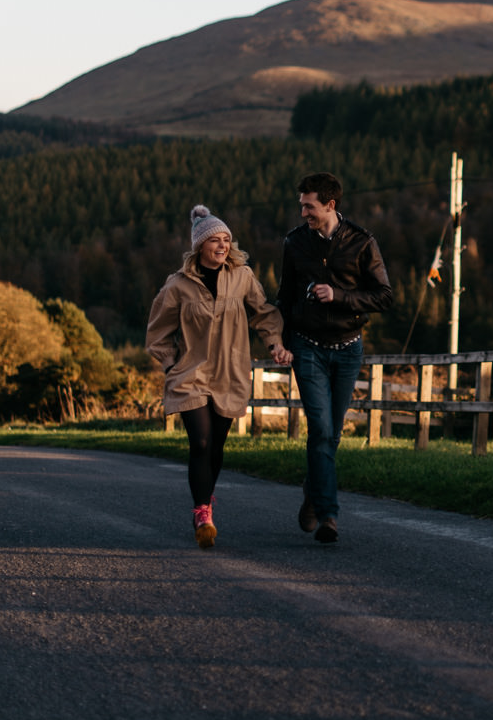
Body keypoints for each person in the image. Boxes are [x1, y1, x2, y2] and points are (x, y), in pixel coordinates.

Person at [146, 205, 292, 549]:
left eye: (227, 239)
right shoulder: (178, 285)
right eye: (215, 240)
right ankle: (202, 514)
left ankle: (206, 501)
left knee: (217, 447)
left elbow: (263, 313)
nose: (223, 245)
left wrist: (275, 344)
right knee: (199, 442)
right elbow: (157, 332)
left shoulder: (242, 276)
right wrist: (170, 366)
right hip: (191, 377)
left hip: (230, 373)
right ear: (200, 245)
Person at [278, 172, 393, 544]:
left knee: (332, 435)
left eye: (308, 206)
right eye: (301, 206)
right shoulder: (294, 243)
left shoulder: (362, 242)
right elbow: (284, 297)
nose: (303, 212)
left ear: (330, 205)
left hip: (348, 349)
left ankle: (313, 497)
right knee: (321, 430)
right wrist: (279, 343)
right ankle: (329, 516)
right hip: (306, 347)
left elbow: (384, 296)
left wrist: (340, 296)